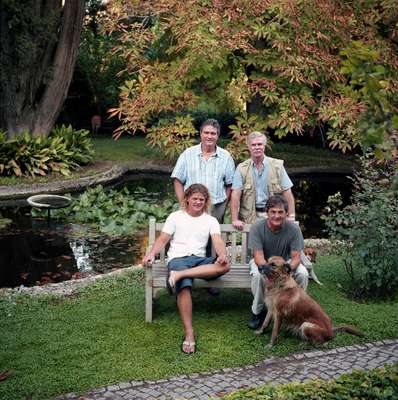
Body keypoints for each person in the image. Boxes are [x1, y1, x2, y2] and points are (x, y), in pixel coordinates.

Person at [142, 184, 230, 354]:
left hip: (198, 259)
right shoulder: (175, 217)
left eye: (201, 199)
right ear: (187, 199)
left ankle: (180, 275)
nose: (198, 202)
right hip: (178, 259)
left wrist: (222, 254)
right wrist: (151, 253)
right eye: (195, 198)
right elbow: (163, 239)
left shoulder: (210, 220)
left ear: (206, 202)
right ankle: (189, 333)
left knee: (225, 265)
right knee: (184, 285)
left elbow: (218, 241)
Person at [247, 195, 309, 329]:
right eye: (273, 212)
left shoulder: (293, 229)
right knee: (258, 276)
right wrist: (269, 273)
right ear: (267, 212)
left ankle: (295, 308)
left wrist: (287, 271)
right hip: (265, 262)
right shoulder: (257, 227)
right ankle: (257, 312)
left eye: (280, 212)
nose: (276, 216)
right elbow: (258, 257)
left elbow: (296, 257)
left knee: (303, 274)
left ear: (286, 213)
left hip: (285, 263)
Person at [171, 119, 235, 223]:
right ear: (201, 134)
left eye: (213, 133)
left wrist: (223, 206)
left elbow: (230, 184)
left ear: (217, 136)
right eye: (206, 133)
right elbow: (177, 179)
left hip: (216, 207)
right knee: (191, 236)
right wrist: (183, 203)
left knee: (213, 237)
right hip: (191, 206)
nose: (209, 136)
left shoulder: (226, 157)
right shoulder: (187, 154)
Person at [230, 131, 295, 229]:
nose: (257, 147)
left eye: (259, 144)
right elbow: (235, 194)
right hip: (250, 217)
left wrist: (291, 216)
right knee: (252, 244)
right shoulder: (241, 168)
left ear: (264, 145)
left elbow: (287, 192)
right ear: (248, 147)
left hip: (274, 216)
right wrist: (235, 219)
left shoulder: (277, 166)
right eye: (253, 145)